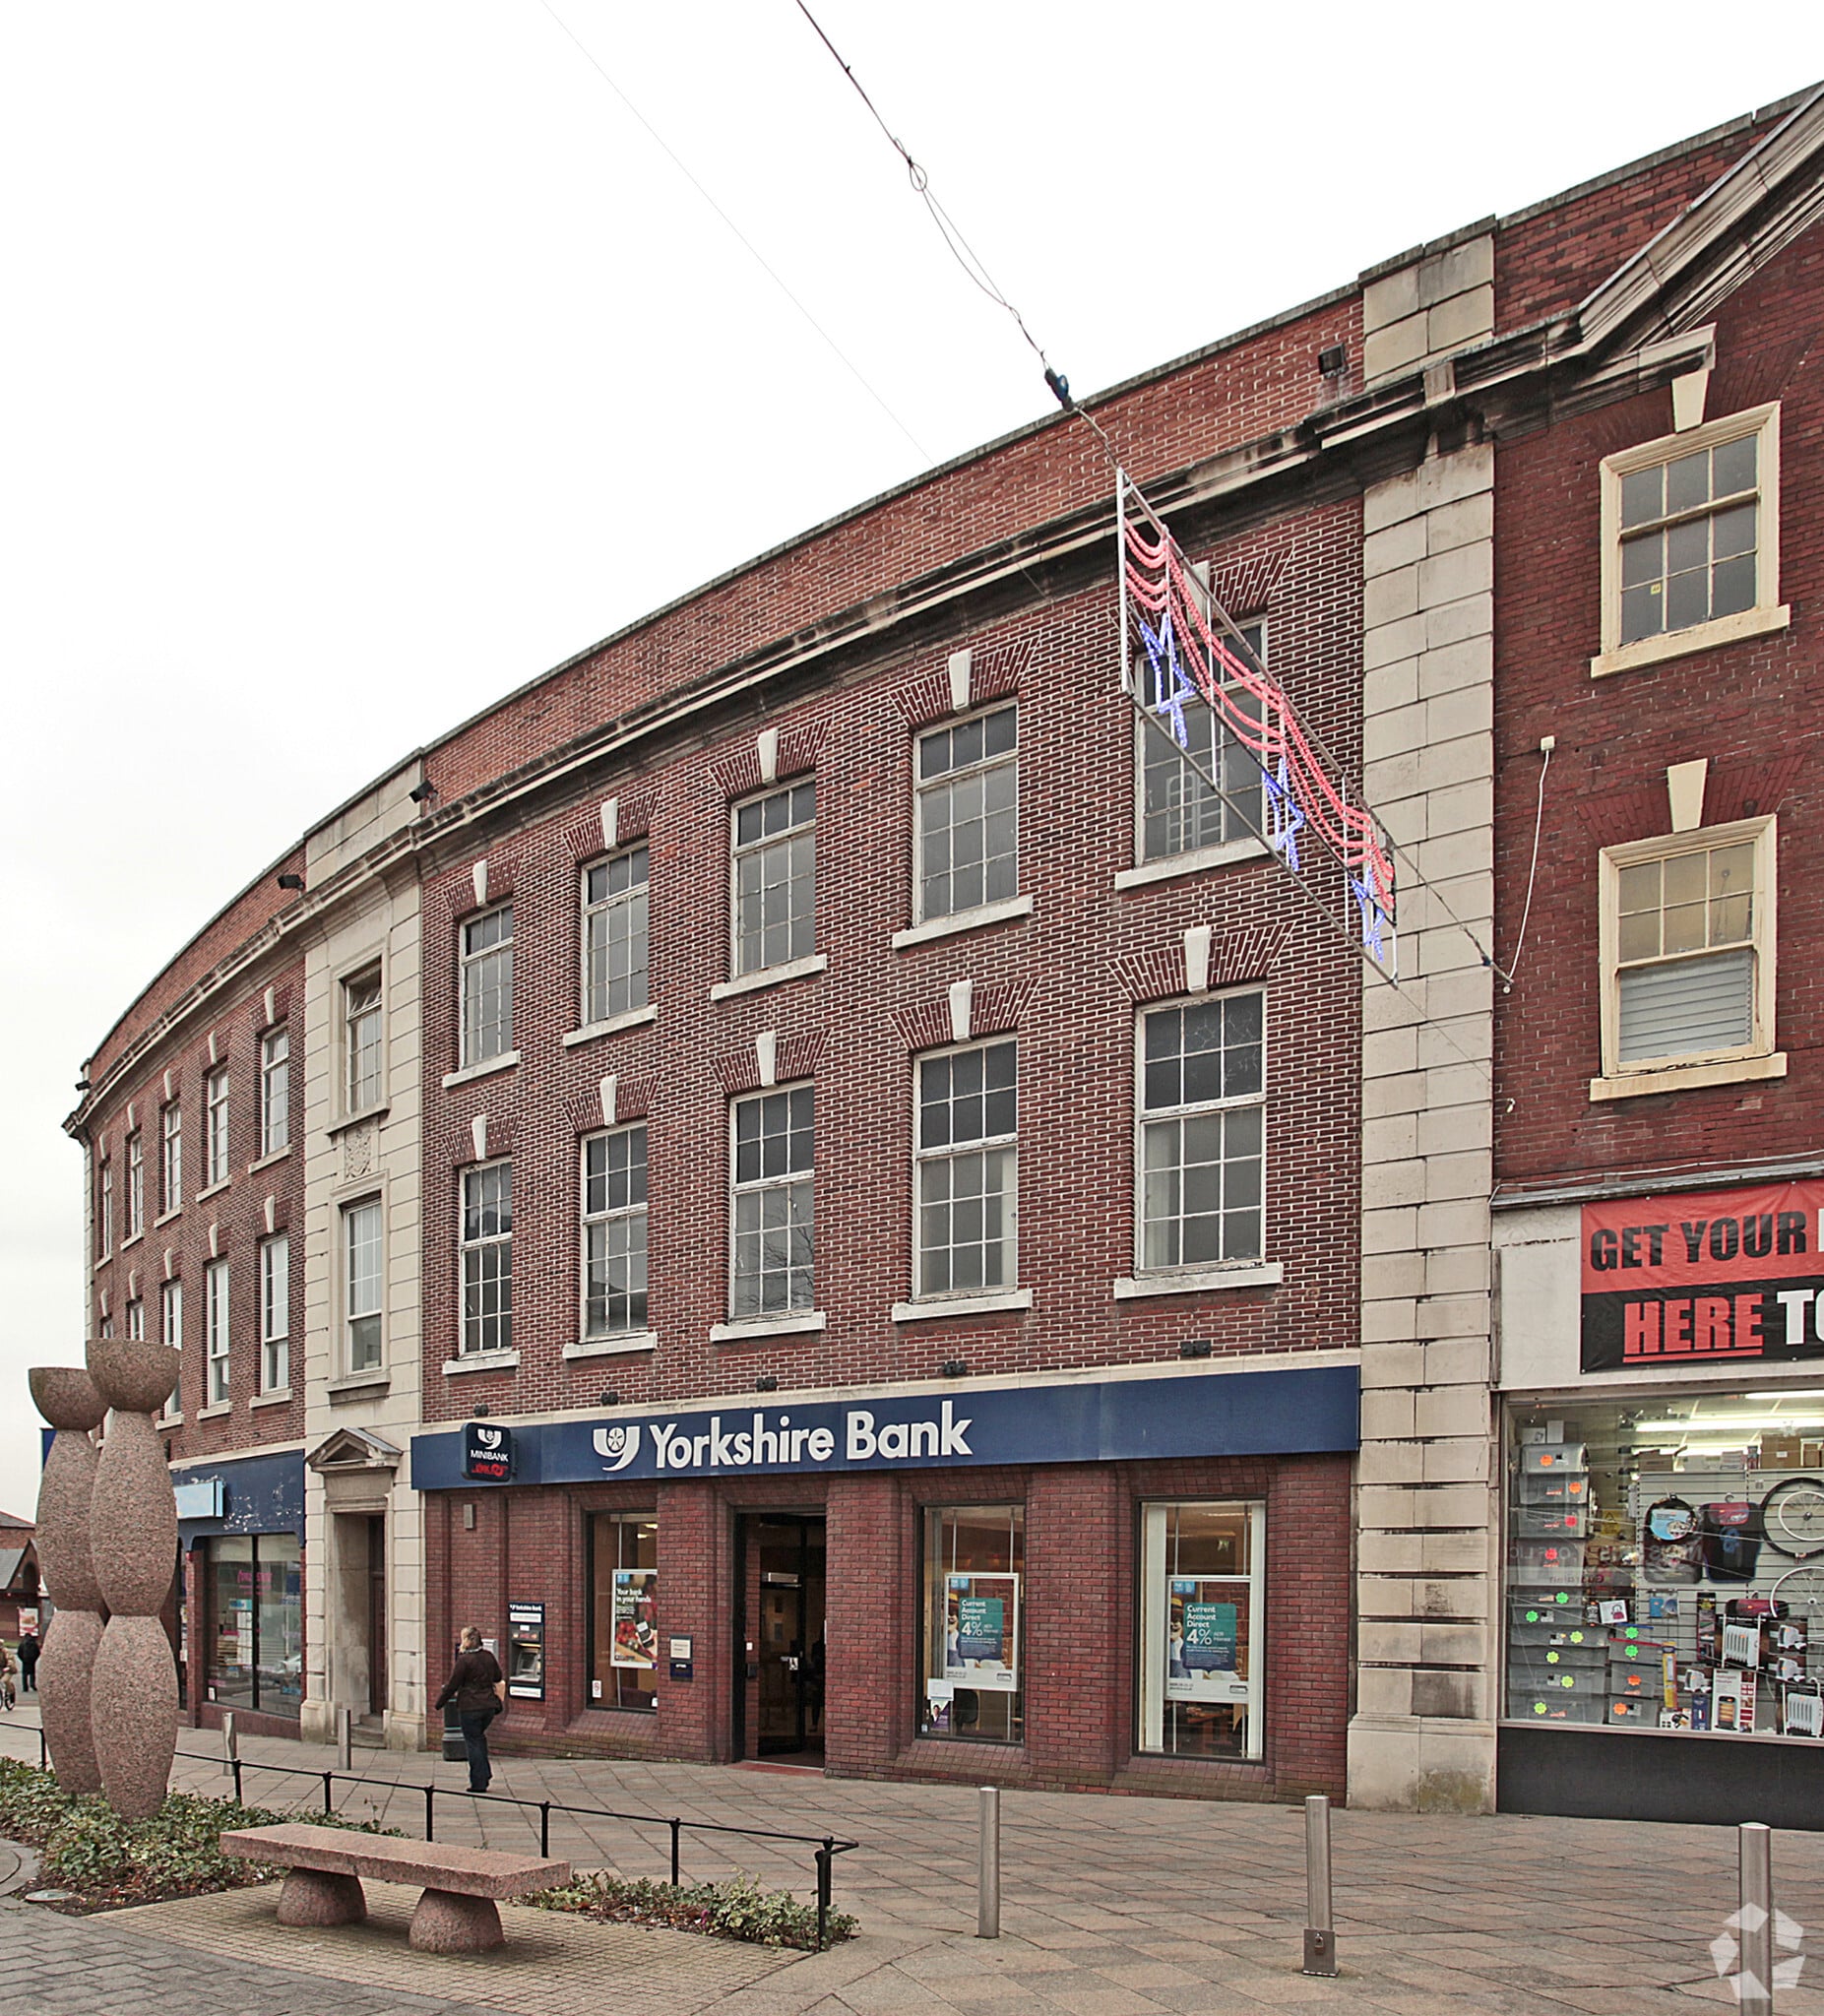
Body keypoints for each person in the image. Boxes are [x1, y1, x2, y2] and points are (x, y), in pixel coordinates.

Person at [434, 1625, 504, 1794]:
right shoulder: (488, 1656)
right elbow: (498, 1677)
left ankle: (479, 1782)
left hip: (470, 1707)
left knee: (472, 1742)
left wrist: (440, 1703)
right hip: (488, 1706)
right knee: (479, 1739)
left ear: (465, 1641)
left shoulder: (464, 1661)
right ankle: (485, 1773)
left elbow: (453, 1685)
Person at [16, 1629, 39, 1694]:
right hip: (32, 1661)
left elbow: (19, 1653)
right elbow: (38, 1652)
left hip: (25, 1661)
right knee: (32, 1674)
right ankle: (32, 1684)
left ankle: (25, 1687)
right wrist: (34, 1659)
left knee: (24, 1675)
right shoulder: (34, 1643)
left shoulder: (22, 1643)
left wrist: (22, 1659)